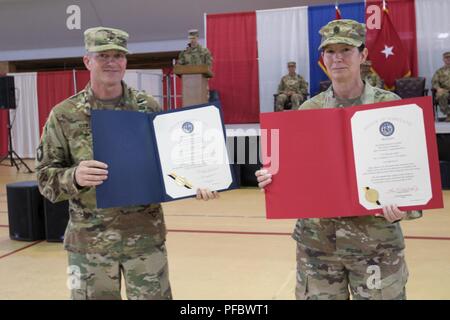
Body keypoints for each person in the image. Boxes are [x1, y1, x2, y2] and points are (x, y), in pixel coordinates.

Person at [35, 26, 219, 300]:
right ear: (88, 61)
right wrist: (74, 177)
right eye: (103, 55)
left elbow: (169, 167)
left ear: (125, 61)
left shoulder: (147, 107)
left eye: (118, 56)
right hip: (90, 247)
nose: (111, 62)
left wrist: (197, 183)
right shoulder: (64, 114)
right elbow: (44, 179)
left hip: (144, 241)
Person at [256, 19, 422, 300]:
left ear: (363, 55)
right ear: (323, 58)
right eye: (330, 51)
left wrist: (407, 207)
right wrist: (273, 178)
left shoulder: (391, 106)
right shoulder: (308, 110)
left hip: (376, 245)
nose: (337, 58)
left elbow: (414, 174)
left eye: (346, 49)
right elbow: (297, 171)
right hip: (318, 247)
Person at [431, 51, 450, 122]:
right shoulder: (439, 71)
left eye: (449, 57)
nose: (448, 59)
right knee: (441, 95)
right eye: (446, 58)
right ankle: (449, 114)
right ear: (443, 59)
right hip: (445, 90)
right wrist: (438, 88)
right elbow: (434, 81)